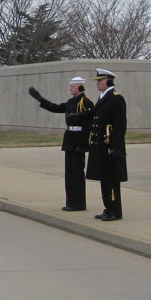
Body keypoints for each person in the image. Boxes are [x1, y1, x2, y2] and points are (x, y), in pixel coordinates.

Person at [69, 68, 128, 221]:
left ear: (108, 81)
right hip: (101, 147)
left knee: (111, 179)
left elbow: (120, 125)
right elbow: (93, 113)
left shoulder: (116, 98)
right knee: (104, 178)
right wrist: (78, 116)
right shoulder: (103, 97)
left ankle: (115, 210)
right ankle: (108, 208)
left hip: (109, 147)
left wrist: (115, 147)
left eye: (100, 81)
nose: (97, 83)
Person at [28, 76, 94, 211]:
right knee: (69, 174)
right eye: (70, 86)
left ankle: (79, 203)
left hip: (78, 141)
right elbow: (55, 108)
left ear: (80, 87)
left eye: (73, 87)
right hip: (69, 139)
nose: (70, 89)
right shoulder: (71, 102)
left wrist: (82, 145)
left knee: (77, 173)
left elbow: (87, 125)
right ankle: (71, 202)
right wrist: (40, 99)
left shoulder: (86, 102)